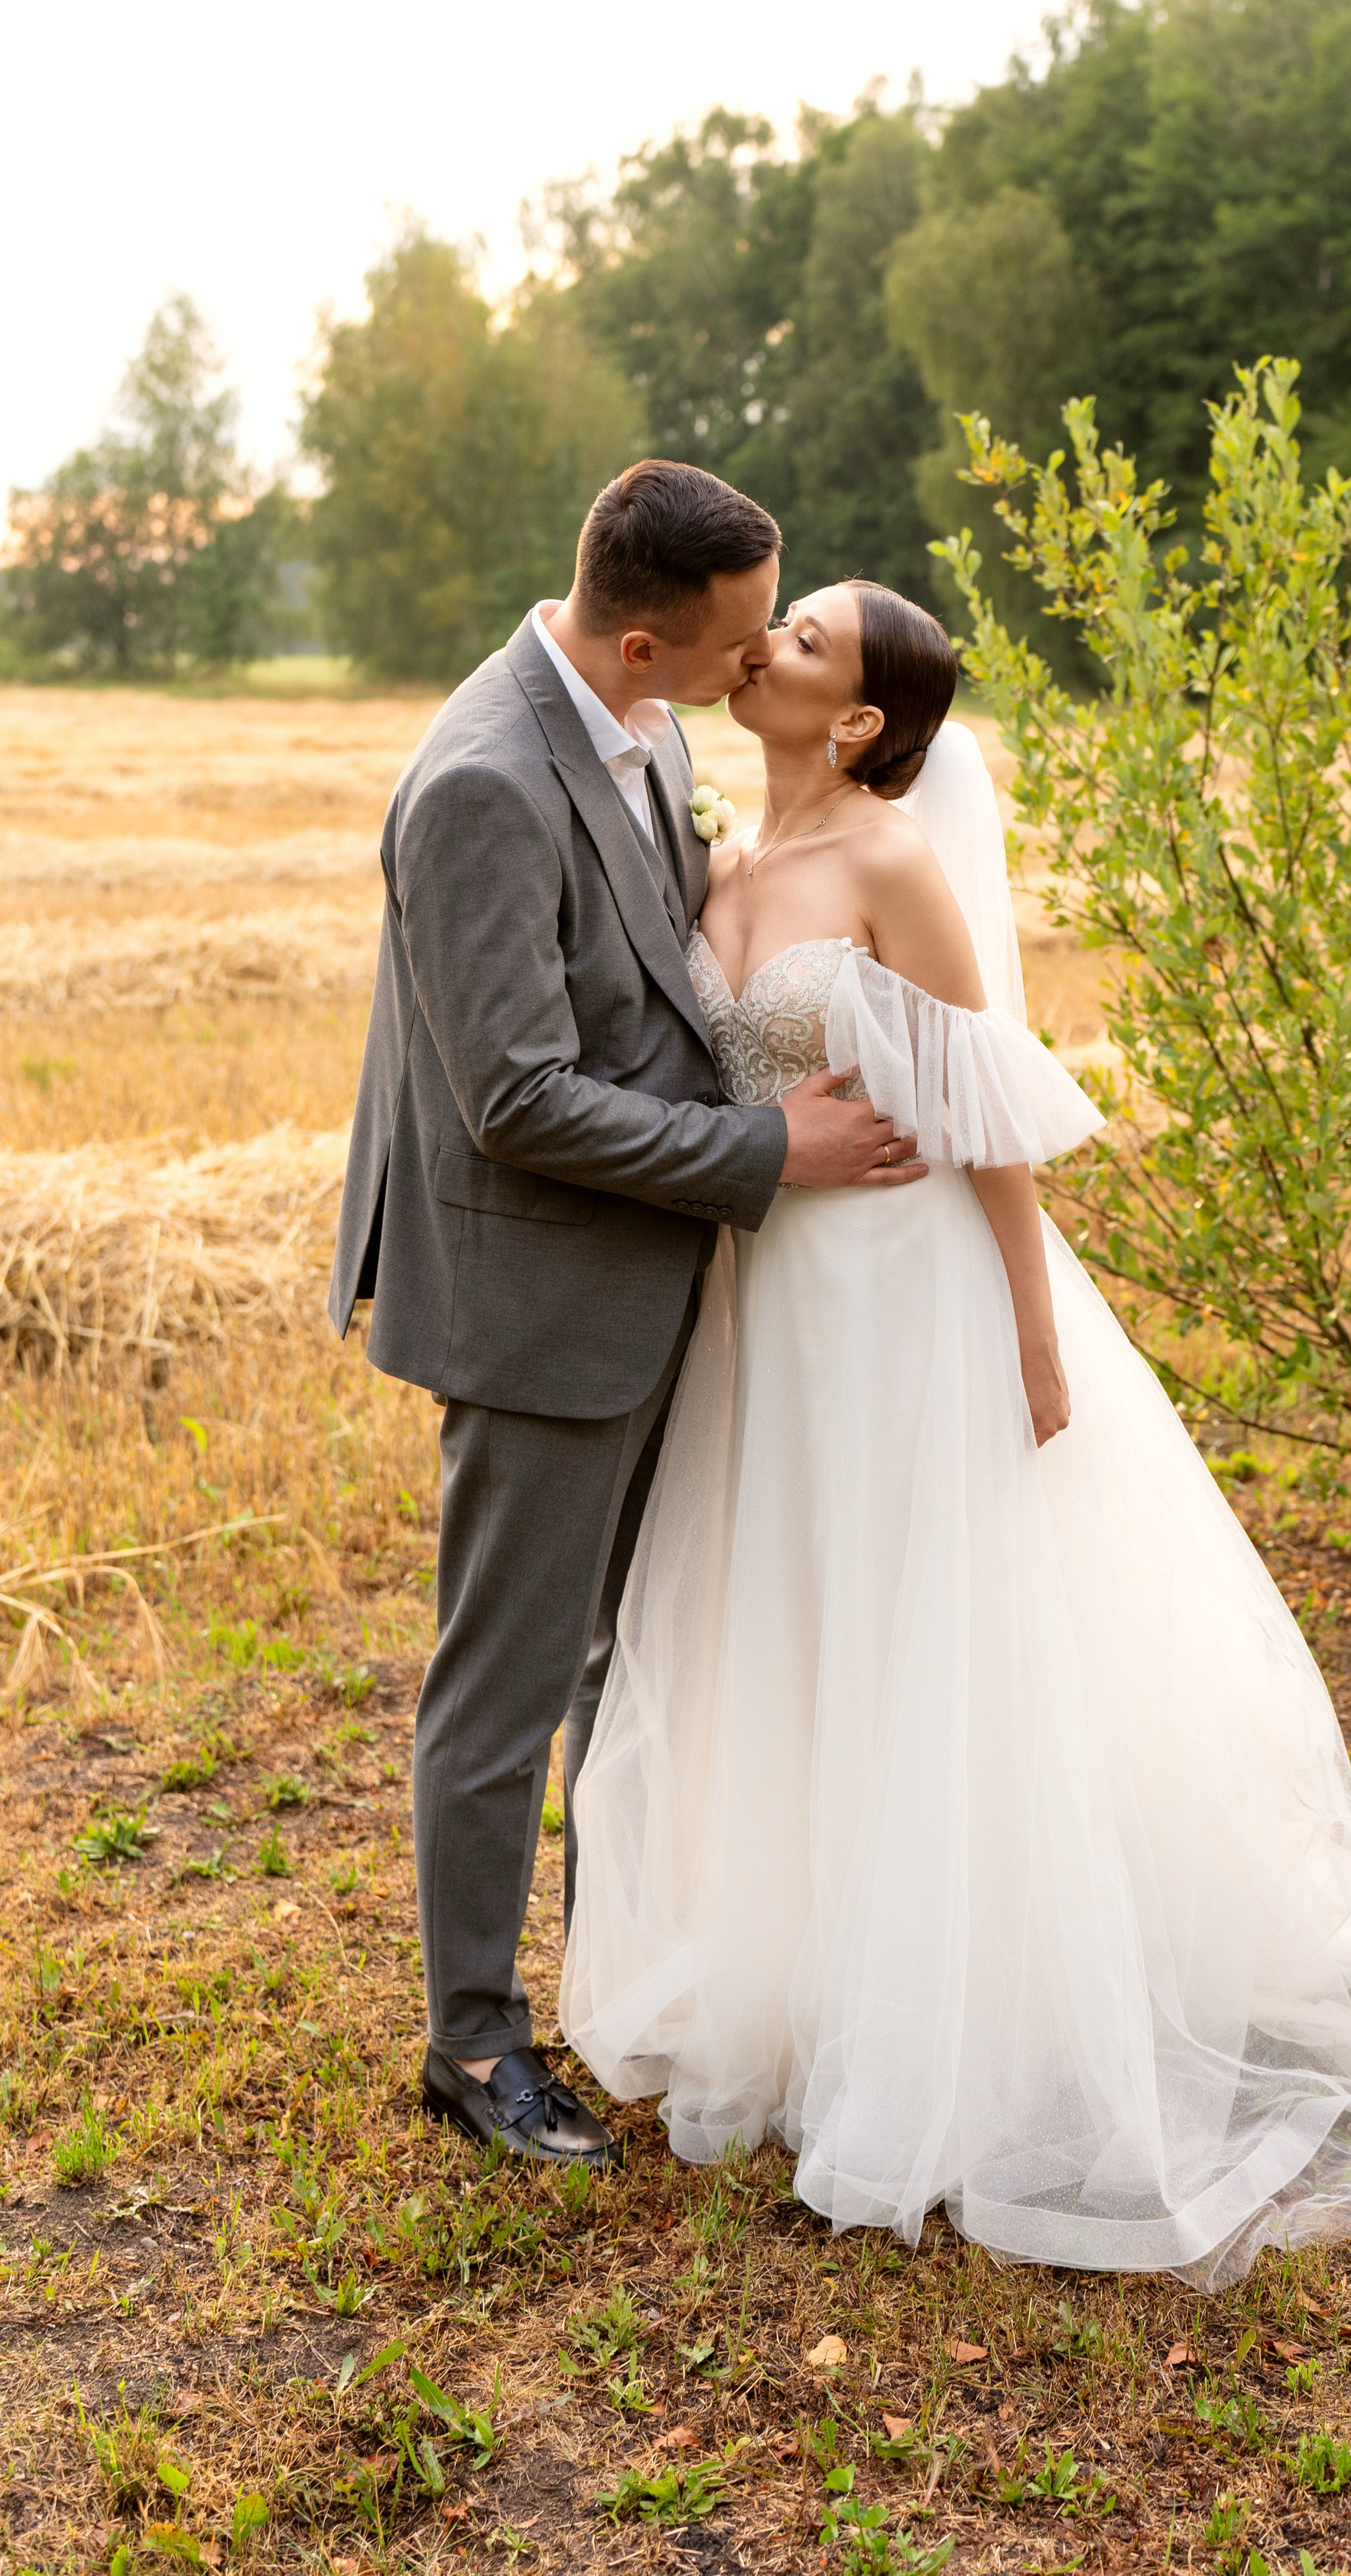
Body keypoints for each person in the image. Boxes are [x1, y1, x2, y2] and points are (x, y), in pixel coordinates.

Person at [560, 580, 1351, 2285]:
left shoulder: (887, 864)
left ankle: (963, 2012)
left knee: (937, 1623)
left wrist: (1028, 1317)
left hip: (905, 1293)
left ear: (858, 722)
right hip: (768, 1308)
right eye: (777, 630)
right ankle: (815, 1977)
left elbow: (985, 1108)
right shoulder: (714, 861)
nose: (766, 647)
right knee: (797, 1620)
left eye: (805, 645)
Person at [328, 463, 927, 2171]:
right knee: (504, 1687)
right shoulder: (479, 785)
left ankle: (611, 1985)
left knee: (626, 1657)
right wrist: (774, 1147)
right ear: (651, 633)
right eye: (743, 642)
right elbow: (515, 1096)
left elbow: (657, 965)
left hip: (667, 1269)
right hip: (534, 1287)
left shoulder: (647, 727)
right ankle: (475, 2051)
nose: (758, 672)